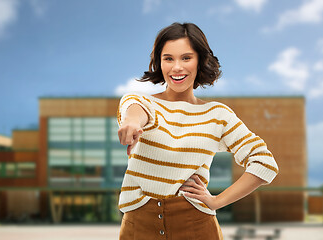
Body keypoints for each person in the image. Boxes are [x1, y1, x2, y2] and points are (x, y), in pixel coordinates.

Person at [117, 22, 278, 240]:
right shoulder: (140, 102)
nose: (177, 67)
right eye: (168, 58)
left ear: (200, 60)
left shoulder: (218, 115)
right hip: (139, 226)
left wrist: (217, 201)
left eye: (186, 58)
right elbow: (136, 112)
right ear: (159, 62)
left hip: (196, 227)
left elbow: (264, 162)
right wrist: (133, 124)